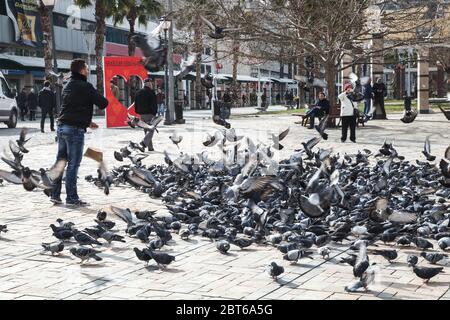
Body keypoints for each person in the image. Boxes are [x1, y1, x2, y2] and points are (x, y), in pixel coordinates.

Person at [51, 59, 109, 207]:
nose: (88, 70)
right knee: (73, 165)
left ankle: (55, 195)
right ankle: (71, 198)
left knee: (60, 161)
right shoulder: (86, 86)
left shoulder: (67, 85)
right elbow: (103, 103)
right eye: (87, 68)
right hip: (74, 130)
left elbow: (72, 107)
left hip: (62, 127)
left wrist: (87, 122)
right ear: (82, 70)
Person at [134, 78, 157, 151]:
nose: (151, 85)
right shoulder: (151, 92)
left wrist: (137, 111)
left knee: (146, 130)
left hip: (141, 114)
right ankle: (143, 144)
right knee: (151, 130)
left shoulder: (138, 92)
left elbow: (136, 103)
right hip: (149, 114)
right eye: (151, 83)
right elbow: (154, 104)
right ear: (149, 84)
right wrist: (154, 113)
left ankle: (150, 147)